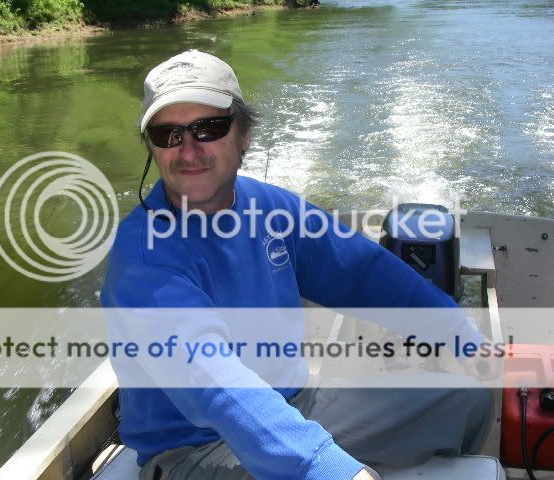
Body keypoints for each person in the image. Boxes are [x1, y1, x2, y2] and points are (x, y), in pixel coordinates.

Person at [101, 50, 491, 480]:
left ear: (244, 134)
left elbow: (362, 272)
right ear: (152, 148)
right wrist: (326, 467)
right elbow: (212, 380)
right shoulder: (143, 257)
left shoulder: (269, 208)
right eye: (168, 134)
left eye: (208, 127)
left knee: (464, 397)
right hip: (194, 452)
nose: (188, 150)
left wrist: (455, 330)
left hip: (296, 405)